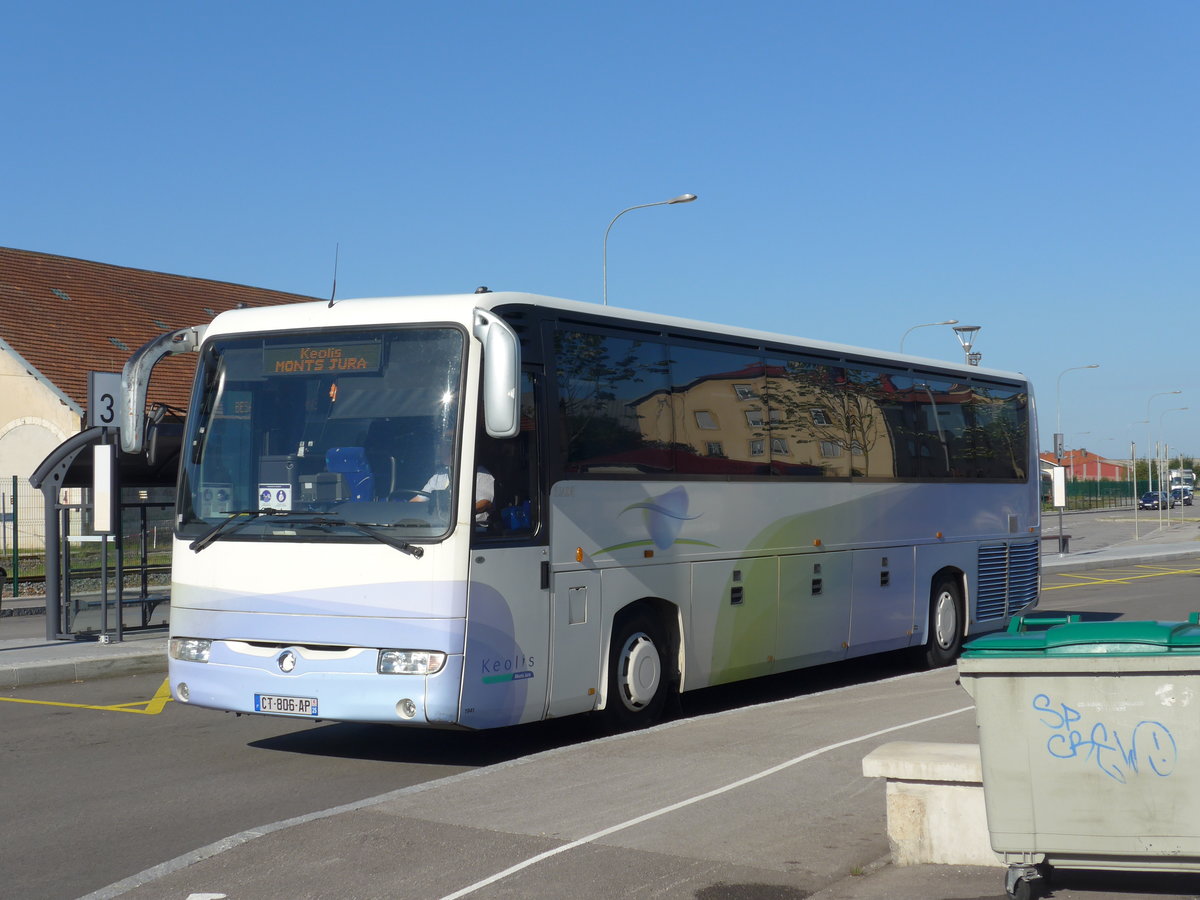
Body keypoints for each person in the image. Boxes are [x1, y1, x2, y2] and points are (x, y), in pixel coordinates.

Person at [411, 457, 494, 529]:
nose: (442, 451)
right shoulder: (440, 474)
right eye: (441, 447)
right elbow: (420, 498)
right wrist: (404, 509)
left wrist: (457, 514)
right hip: (438, 526)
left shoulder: (480, 473)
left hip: (472, 528)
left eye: (446, 447)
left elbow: (486, 503)